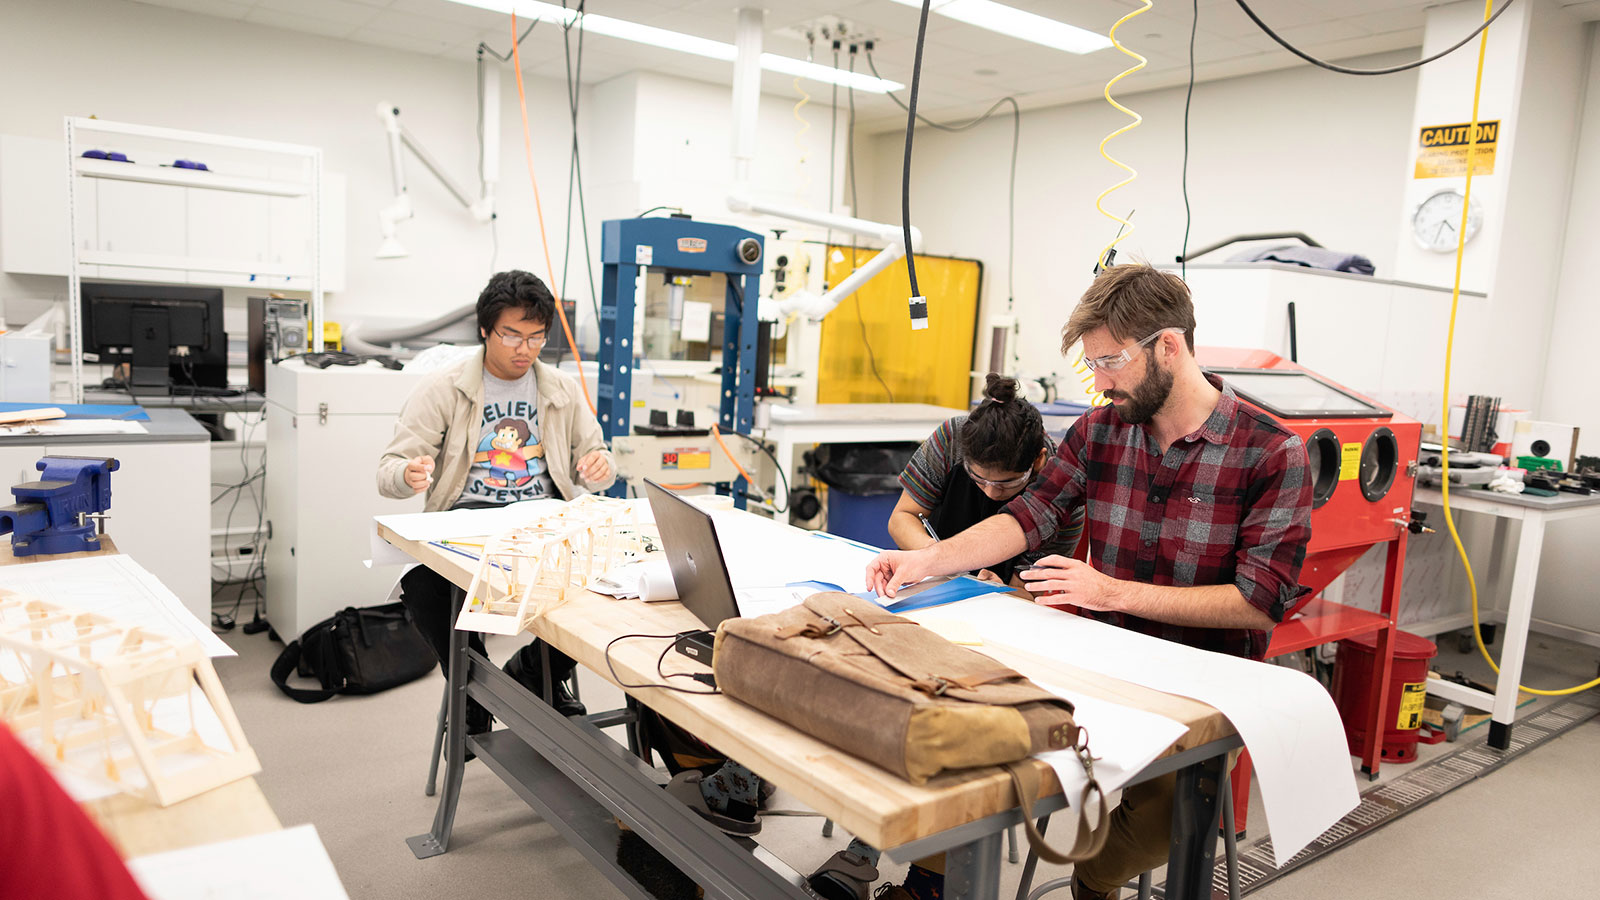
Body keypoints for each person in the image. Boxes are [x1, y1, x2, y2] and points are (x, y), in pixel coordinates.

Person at [865, 263, 1313, 900]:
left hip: (1200, 690)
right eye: (1092, 366)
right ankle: (930, 882)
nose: (1099, 384)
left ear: (1168, 346)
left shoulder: (1271, 453)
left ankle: (1093, 884)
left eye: (1109, 362)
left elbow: (1258, 604)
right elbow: (1027, 517)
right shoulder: (1100, 432)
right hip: (1094, 665)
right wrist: (928, 561)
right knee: (966, 743)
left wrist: (1110, 594)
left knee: (1138, 840)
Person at [377, 270, 615, 733]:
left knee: (606, 579)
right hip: (468, 518)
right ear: (485, 330)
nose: (523, 349)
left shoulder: (561, 390)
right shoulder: (444, 388)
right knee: (425, 585)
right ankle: (473, 689)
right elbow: (389, 469)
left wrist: (599, 466)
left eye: (536, 337)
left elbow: (597, 453)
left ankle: (535, 673)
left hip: (544, 516)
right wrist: (407, 474)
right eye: (511, 335)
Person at [889, 372, 1084, 584]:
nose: (991, 492)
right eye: (978, 479)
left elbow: (1030, 588)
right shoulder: (952, 439)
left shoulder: (1062, 488)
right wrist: (936, 559)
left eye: (1006, 483)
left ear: (1038, 460)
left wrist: (1006, 591)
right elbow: (902, 517)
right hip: (927, 578)